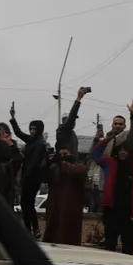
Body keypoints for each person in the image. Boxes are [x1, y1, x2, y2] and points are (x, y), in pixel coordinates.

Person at [41, 88, 88, 244]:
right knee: (61, 208)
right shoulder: (63, 129)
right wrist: (78, 99)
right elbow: (71, 119)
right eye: (68, 119)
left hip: (70, 169)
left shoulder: (71, 134)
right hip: (63, 169)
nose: (72, 122)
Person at [92, 138, 133, 254]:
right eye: (120, 150)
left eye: (126, 150)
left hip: (129, 212)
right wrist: (108, 139)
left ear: (130, 152)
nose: (123, 152)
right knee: (110, 244)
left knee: (128, 245)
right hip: (111, 210)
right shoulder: (109, 163)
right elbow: (95, 154)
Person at [9, 103, 50, 238]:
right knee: (25, 204)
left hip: (32, 177)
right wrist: (13, 118)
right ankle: (29, 229)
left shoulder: (39, 144)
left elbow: (34, 163)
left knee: (28, 204)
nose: (32, 131)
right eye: (31, 128)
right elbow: (19, 133)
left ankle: (34, 229)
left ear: (39, 129)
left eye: (34, 128)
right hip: (28, 176)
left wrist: (25, 177)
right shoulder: (32, 140)